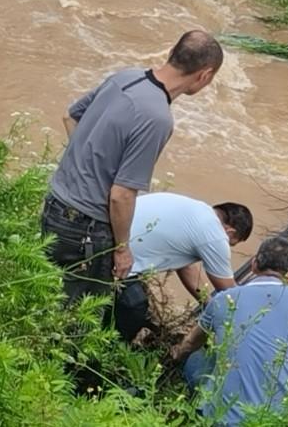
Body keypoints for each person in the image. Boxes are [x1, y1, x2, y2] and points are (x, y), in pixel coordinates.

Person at [41, 31, 223, 303]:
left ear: (173, 52)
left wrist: (86, 166)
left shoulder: (126, 77)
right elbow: (121, 194)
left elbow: (70, 116)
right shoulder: (158, 118)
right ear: (204, 75)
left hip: (54, 203)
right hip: (87, 228)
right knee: (81, 316)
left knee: (44, 294)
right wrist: (122, 249)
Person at [171, 236, 288, 425]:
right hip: (280, 420)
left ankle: (197, 407)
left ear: (254, 264)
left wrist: (175, 355)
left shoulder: (224, 298)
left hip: (223, 419)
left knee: (196, 357)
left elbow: (190, 343)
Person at [112, 193, 254, 342]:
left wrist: (208, 304)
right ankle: (112, 349)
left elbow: (187, 268)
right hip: (120, 259)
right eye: (231, 243)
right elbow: (229, 292)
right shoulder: (215, 234)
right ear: (230, 232)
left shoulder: (197, 213)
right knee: (134, 307)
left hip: (110, 240)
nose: (227, 246)